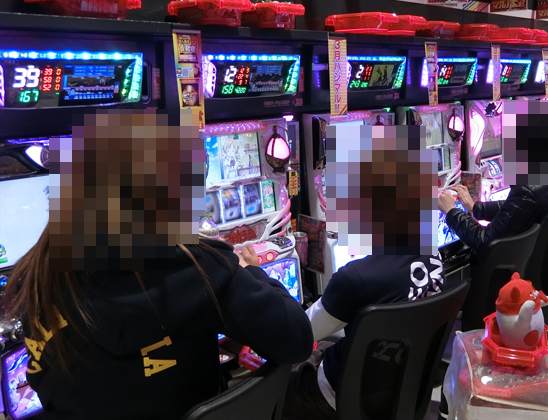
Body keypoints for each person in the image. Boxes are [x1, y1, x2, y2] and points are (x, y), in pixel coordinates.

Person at [1, 112, 314, 420]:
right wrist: (247, 267)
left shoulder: (37, 272)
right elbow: (297, 340)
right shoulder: (199, 267)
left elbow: (39, 385)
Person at [282, 124, 445, 420]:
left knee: (273, 386)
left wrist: (259, 281)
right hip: (405, 383)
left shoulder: (356, 277)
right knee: (325, 346)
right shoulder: (431, 251)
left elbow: (296, 336)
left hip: (345, 395)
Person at [438, 178, 548, 253]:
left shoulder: (528, 189)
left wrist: (451, 212)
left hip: (534, 278)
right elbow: (517, 208)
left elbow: (484, 242)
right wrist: (475, 208)